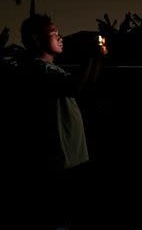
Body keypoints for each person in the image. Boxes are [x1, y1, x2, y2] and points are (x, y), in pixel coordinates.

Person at [16, 14, 106, 229]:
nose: (60, 37)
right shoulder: (38, 70)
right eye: (54, 33)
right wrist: (89, 55)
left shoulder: (55, 69)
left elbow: (85, 87)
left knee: (71, 212)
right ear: (37, 39)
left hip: (73, 155)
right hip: (59, 157)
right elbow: (74, 86)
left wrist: (98, 57)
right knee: (58, 215)